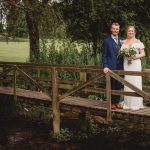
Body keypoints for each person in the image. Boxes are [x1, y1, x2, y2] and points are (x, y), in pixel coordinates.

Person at [121, 25, 145, 110]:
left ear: (134, 32)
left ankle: (136, 103)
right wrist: (126, 55)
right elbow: (122, 53)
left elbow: (143, 54)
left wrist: (134, 57)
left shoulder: (138, 42)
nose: (130, 32)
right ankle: (127, 102)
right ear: (127, 32)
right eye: (129, 31)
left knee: (135, 81)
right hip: (126, 64)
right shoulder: (123, 42)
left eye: (132, 31)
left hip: (135, 64)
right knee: (127, 81)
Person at [102, 22, 123, 109]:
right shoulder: (106, 41)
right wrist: (105, 66)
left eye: (117, 29)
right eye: (114, 28)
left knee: (118, 85)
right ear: (111, 29)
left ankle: (117, 102)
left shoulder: (122, 40)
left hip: (120, 67)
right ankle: (111, 103)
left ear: (119, 30)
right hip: (110, 67)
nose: (115, 30)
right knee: (112, 85)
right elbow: (104, 55)